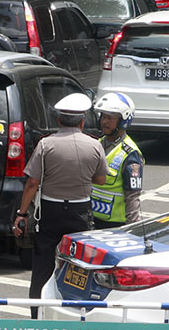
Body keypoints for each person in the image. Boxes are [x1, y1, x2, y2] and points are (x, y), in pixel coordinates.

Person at [12, 93, 107, 318]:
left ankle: (37, 315)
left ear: (59, 120)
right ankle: (78, 315)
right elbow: (101, 179)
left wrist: (21, 213)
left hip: (50, 211)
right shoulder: (94, 145)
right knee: (79, 267)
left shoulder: (46, 144)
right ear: (82, 122)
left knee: (42, 267)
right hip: (80, 212)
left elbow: (32, 183)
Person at [90, 93, 143, 228]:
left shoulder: (130, 154)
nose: (104, 121)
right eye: (103, 116)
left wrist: (132, 229)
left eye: (110, 118)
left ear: (123, 120)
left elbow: (132, 196)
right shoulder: (97, 144)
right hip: (91, 220)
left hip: (115, 226)